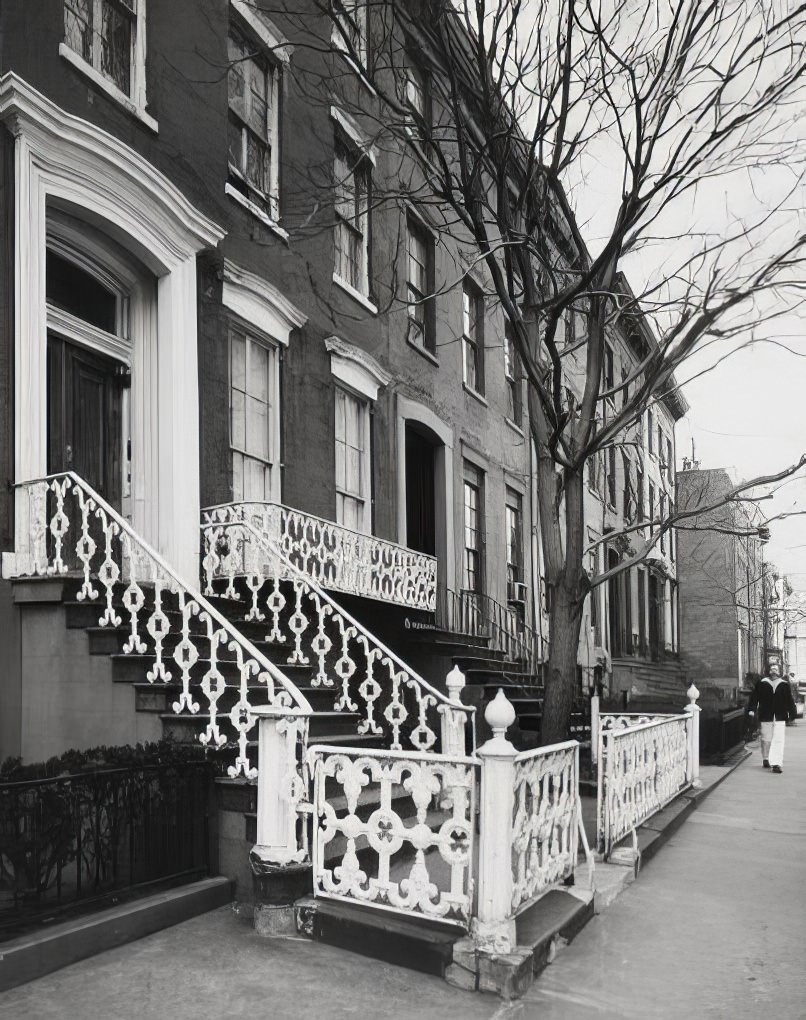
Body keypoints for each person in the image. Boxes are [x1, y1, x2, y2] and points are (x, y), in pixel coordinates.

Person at [747, 664, 797, 773]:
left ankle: (776, 764)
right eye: (772, 669)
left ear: (779, 671)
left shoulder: (784, 685)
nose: (774, 671)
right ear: (768, 671)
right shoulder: (762, 683)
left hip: (780, 716)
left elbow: (789, 700)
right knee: (766, 738)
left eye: (776, 669)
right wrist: (752, 709)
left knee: (778, 740)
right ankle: (766, 758)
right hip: (766, 715)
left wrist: (792, 713)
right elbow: (754, 698)